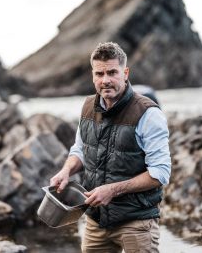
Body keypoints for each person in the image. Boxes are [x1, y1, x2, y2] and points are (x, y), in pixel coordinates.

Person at [50, 42, 171, 253]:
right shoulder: (88, 107)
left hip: (136, 222)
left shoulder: (149, 114)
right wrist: (66, 170)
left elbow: (160, 173)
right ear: (93, 75)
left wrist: (113, 190)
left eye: (112, 72)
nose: (105, 80)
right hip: (96, 220)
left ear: (125, 73)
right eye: (99, 74)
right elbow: (80, 149)